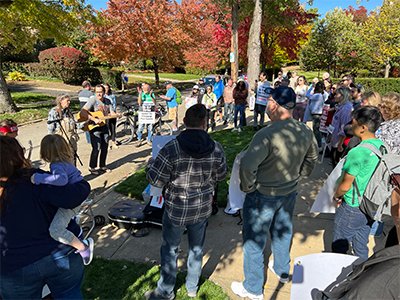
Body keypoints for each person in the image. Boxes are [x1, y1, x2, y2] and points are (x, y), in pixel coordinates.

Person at [231, 87, 318, 300]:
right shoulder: (305, 130)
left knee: (254, 242)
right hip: (288, 192)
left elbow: (247, 166)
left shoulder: (266, 134)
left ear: (274, 104)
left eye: (268, 100)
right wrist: (300, 174)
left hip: (263, 195)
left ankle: (253, 288)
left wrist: (248, 188)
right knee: (282, 231)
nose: (266, 104)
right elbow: (312, 158)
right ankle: (281, 270)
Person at [144, 104, 227, 300]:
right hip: (202, 207)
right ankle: (191, 288)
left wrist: (149, 166)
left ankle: (165, 291)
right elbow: (222, 175)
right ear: (205, 123)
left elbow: (156, 179)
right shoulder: (216, 147)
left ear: (184, 122)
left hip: (176, 208)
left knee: (170, 249)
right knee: (196, 249)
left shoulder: (171, 148)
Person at [0, 136, 90, 299]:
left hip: (15, 266)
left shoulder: (32, 178)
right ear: (16, 157)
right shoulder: (32, 179)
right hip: (59, 255)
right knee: (69, 294)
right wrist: (83, 184)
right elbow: (73, 196)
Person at [30, 134, 94, 265]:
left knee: (55, 230)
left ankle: (83, 247)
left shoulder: (57, 165)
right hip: (79, 192)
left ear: (45, 152)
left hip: (73, 199)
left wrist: (38, 178)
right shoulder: (65, 161)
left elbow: (61, 179)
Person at [332, 106, 384, 259]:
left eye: (353, 123)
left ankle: (338, 278)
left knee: (339, 247)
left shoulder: (357, 152)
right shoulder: (382, 146)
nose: (350, 125)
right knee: (361, 245)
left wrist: (336, 195)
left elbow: (345, 185)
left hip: (352, 206)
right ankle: (361, 276)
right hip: (370, 204)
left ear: (362, 128)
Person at [376, 92, 400, 245]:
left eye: (384, 107)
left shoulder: (383, 129)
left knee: (396, 214)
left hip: (392, 173)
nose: (382, 110)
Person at [80, 84, 115, 175]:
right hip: (94, 128)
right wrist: (94, 119)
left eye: (101, 92)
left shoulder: (107, 101)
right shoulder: (92, 100)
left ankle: (102, 165)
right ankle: (92, 167)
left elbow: (111, 112)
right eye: (97, 92)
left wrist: (115, 114)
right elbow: (83, 111)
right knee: (96, 148)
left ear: (104, 92)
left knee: (105, 147)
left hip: (104, 127)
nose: (99, 94)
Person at [48, 94, 80, 165]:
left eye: (69, 101)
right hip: (60, 142)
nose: (69, 102)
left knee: (72, 160)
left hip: (71, 141)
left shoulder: (68, 112)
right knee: (63, 162)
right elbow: (51, 129)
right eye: (67, 101)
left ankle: (73, 175)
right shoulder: (54, 112)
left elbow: (75, 125)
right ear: (61, 101)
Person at [330, 87, 353, 166]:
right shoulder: (341, 106)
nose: (335, 96)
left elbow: (344, 127)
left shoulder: (346, 109)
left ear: (343, 96)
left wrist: (340, 144)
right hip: (335, 139)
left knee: (336, 164)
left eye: (337, 94)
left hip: (339, 142)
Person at [305, 81, 325, 149]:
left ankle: (318, 145)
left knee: (316, 130)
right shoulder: (321, 95)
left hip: (317, 114)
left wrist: (311, 87)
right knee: (315, 129)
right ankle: (317, 144)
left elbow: (307, 95)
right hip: (315, 113)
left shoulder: (317, 95)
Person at [136, 83, 156, 147]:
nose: (146, 90)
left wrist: (151, 96)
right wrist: (140, 94)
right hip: (143, 113)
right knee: (140, 127)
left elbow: (154, 102)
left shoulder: (152, 94)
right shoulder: (142, 94)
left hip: (150, 113)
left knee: (150, 127)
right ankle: (139, 140)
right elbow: (139, 103)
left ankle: (149, 140)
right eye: (145, 89)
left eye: (147, 88)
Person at [104, 83, 119, 149]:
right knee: (105, 130)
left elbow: (114, 105)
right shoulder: (102, 96)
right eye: (104, 88)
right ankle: (106, 144)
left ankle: (113, 142)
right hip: (105, 115)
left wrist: (114, 112)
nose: (106, 89)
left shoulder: (112, 96)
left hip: (112, 114)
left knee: (113, 129)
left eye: (107, 88)